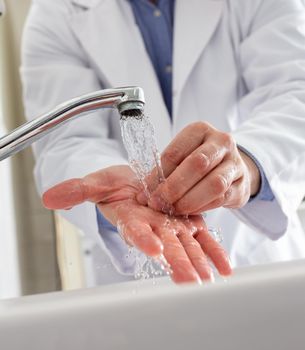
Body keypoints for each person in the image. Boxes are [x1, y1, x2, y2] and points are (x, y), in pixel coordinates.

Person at [21, 0, 305, 284]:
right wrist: (117, 193)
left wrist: (246, 164)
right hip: (136, 276)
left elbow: (296, 94)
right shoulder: (56, 12)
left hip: (257, 259)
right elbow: (66, 140)